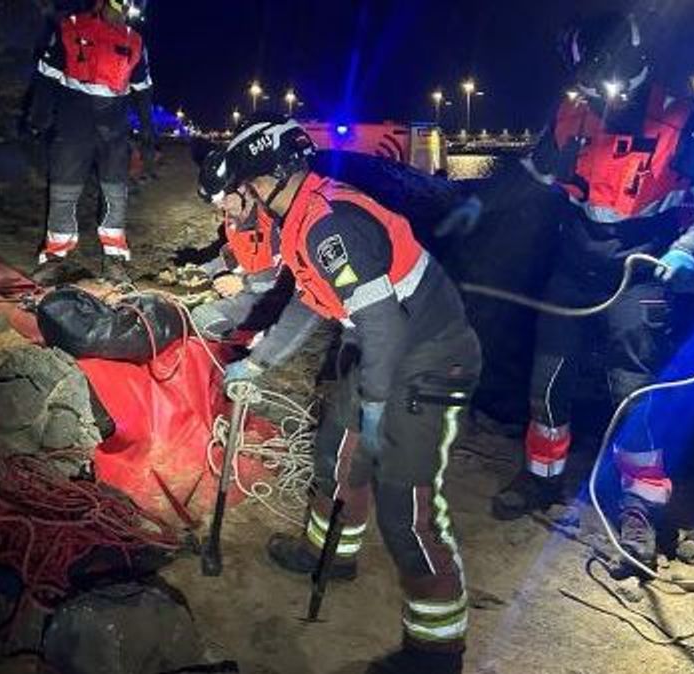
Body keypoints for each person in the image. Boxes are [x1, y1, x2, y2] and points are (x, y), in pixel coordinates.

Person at [202, 114, 481, 674]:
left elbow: (385, 326)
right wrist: (260, 362)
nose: (225, 213)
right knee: (336, 452)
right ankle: (330, 555)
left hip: (428, 360)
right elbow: (311, 300)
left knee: (407, 513)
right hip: (381, 349)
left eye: (231, 198)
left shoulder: (330, 224)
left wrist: (376, 406)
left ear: (262, 182)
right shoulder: (301, 217)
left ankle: (437, 653)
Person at [490, 12, 694, 567]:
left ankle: (640, 507)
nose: (602, 99)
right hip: (574, 266)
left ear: (634, 70)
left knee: (633, 388)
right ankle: (542, 479)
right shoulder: (574, 113)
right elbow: (531, 176)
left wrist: (688, 249)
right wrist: (478, 210)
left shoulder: (679, 121)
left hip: (642, 272)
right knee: (549, 376)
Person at [24, 0, 152, 284]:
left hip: (114, 130)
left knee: (115, 195)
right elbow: (47, 75)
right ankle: (55, 259)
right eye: (124, 7)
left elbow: (142, 88)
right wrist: (38, 116)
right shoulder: (70, 27)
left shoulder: (134, 40)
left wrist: (147, 129)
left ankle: (115, 259)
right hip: (73, 125)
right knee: (63, 192)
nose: (125, 15)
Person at [190, 148, 283, 340]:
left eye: (223, 198)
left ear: (243, 187)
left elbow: (290, 277)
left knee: (201, 317)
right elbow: (237, 253)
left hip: (276, 298)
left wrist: (243, 284)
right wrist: (206, 270)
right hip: (253, 290)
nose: (220, 206)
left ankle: (255, 340)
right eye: (215, 202)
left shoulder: (274, 219)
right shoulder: (234, 218)